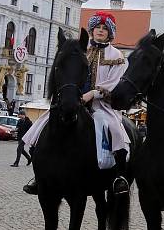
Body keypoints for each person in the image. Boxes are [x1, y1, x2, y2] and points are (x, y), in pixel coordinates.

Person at [22, 11, 131, 196]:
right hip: (72, 100)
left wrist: (93, 94)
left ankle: (119, 177)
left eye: (105, 29)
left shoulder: (116, 55)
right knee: (40, 126)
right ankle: (39, 174)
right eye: (98, 27)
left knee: (114, 128)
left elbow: (115, 83)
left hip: (101, 104)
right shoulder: (81, 48)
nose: (100, 31)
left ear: (110, 33)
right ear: (92, 30)